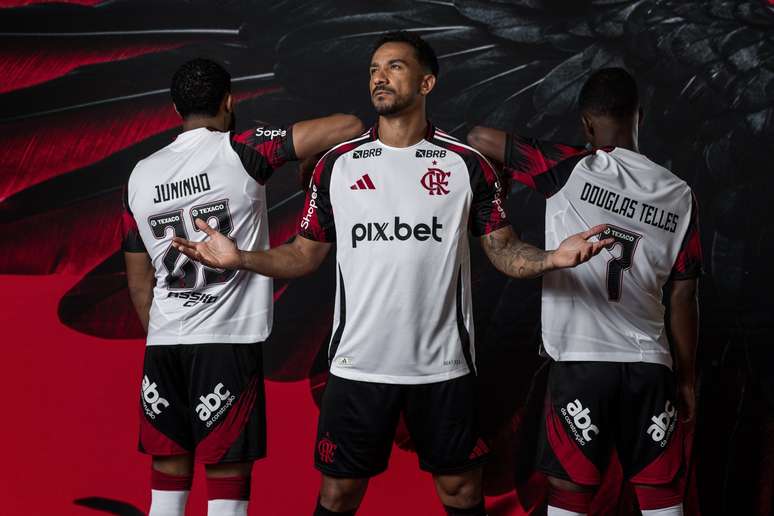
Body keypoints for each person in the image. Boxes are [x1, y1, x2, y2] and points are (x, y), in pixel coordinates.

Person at [172, 33, 610, 516]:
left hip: (444, 369)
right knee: (338, 495)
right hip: (357, 367)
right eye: (374, 69)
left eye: (395, 66)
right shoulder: (336, 165)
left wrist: (551, 259)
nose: (379, 77)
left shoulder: (467, 166)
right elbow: (303, 255)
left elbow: (503, 251)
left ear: (426, 82)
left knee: (462, 493)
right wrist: (242, 259)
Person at [122, 57, 364, 516]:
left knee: (166, 483)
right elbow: (348, 126)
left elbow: (138, 283)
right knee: (226, 482)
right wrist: (307, 159)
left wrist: (166, 331)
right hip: (225, 343)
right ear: (229, 102)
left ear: (175, 109)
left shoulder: (140, 174)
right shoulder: (243, 150)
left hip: (164, 343)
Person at [467, 67, 701, 516]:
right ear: (639, 116)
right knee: (661, 495)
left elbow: (479, 137)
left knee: (570, 495)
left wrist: (500, 182)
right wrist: (687, 379)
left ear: (587, 124)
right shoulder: (679, 194)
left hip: (582, 362)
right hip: (651, 366)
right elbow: (684, 296)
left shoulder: (567, 165)